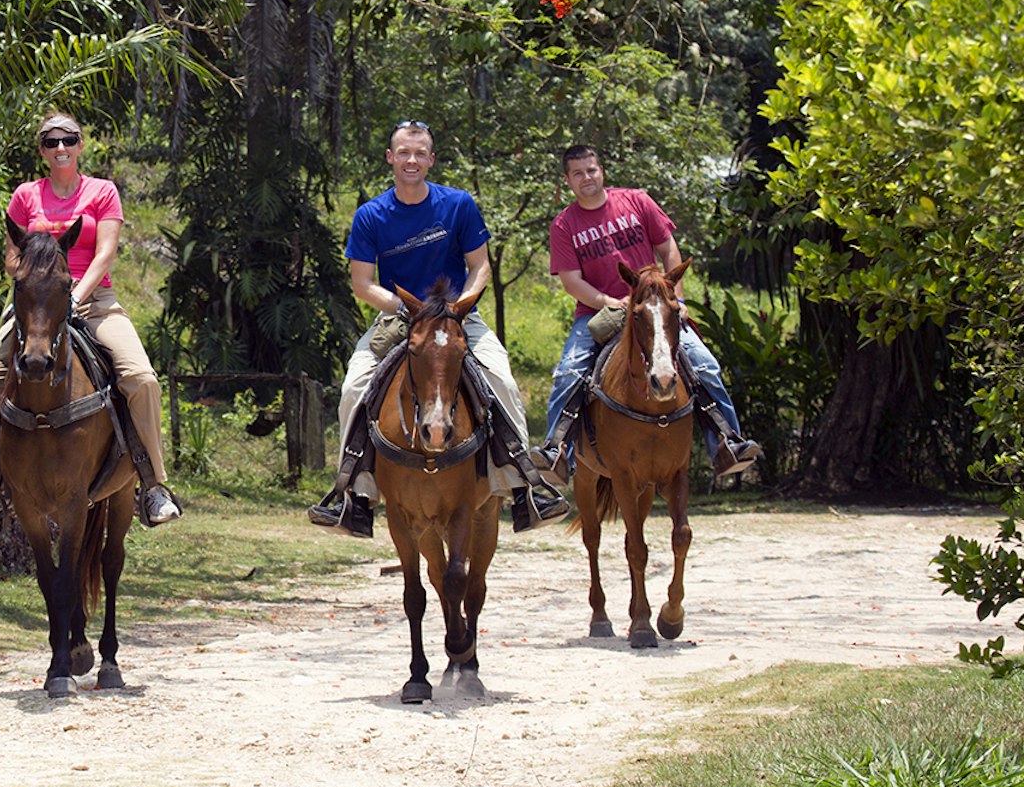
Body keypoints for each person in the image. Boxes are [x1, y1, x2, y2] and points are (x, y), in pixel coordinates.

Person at [311, 119, 569, 535]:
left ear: (431, 160)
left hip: (457, 317)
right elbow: (361, 284)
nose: (411, 160)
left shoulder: (458, 204)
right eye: (403, 153)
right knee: (354, 388)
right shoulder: (371, 214)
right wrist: (407, 308)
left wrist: (461, 307)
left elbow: (480, 266)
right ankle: (352, 496)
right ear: (390, 158)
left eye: (419, 153)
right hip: (400, 318)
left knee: (500, 378)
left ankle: (527, 488)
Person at [0, 111, 182, 531]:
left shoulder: (102, 192)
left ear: (80, 146)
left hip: (94, 302)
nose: (60, 148)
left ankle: (152, 485)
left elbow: (105, 253)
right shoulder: (25, 196)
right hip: (37, 307)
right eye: (50, 141)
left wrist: (75, 297)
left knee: (142, 379)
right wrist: (36, 287)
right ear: (42, 151)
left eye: (68, 140)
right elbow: (13, 257)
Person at [530, 145, 761, 486]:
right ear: (567, 180)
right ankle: (557, 453)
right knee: (569, 372)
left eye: (591, 170)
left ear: (601, 170)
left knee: (705, 365)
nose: (586, 178)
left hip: (657, 307)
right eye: (577, 173)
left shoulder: (637, 201)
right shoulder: (564, 225)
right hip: (600, 311)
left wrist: (676, 299)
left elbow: (668, 248)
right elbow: (571, 281)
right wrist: (612, 301)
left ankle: (728, 444)